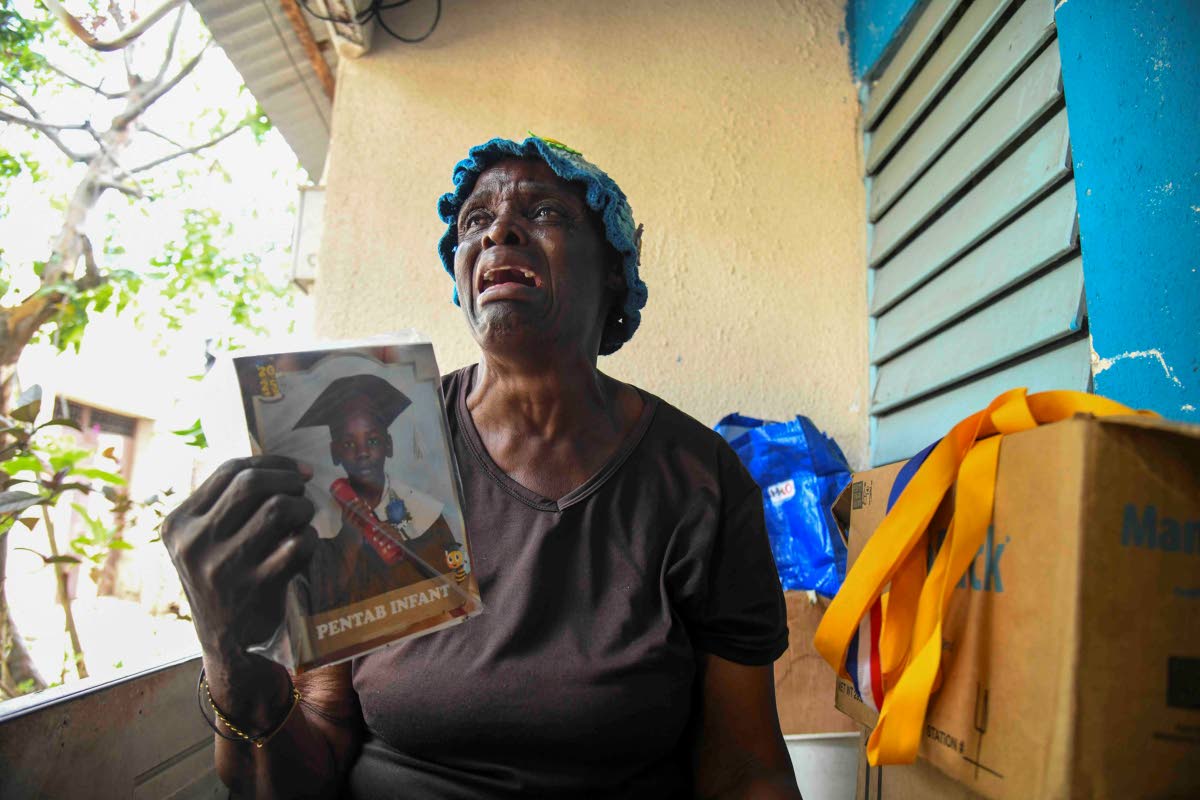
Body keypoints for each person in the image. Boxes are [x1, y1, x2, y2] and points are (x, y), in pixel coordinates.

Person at [163, 135, 802, 798]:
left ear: (616, 268)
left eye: (545, 213)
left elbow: (745, 768)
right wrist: (231, 659)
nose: (500, 230)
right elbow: (306, 765)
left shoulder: (699, 478)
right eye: (474, 221)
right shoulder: (378, 449)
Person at [292, 373, 465, 614]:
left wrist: (404, 555)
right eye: (349, 444)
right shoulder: (319, 528)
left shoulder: (425, 512)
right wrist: (349, 541)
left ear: (389, 445)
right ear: (335, 452)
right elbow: (320, 607)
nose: (362, 452)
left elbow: (454, 593)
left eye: (372, 441)